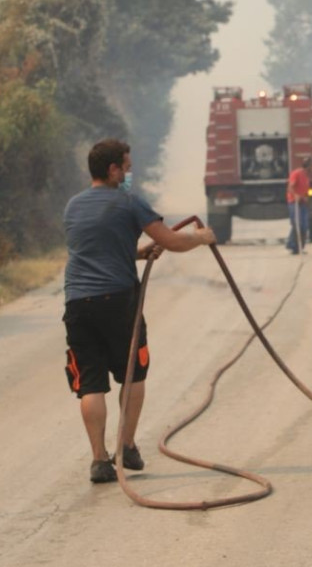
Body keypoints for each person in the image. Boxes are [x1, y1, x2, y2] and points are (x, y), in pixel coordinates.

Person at [63, 138, 217, 484]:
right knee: (133, 373)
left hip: (78, 305)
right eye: (127, 168)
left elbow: (95, 249)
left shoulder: (72, 206)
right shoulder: (128, 202)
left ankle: (100, 461)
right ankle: (127, 446)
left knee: (90, 385)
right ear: (113, 169)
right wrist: (202, 238)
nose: (130, 174)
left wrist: (139, 252)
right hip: (118, 302)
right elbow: (174, 241)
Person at [286, 156, 312, 254]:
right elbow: (290, 187)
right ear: (308, 166)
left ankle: (300, 247)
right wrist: (296, 195)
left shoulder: (307, 176)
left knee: (305, 225)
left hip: (303, 203)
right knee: (297, 224)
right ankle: (292, 245)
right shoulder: (297, 173)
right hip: (294, 202)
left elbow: (306, 190)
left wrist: (306, 196)